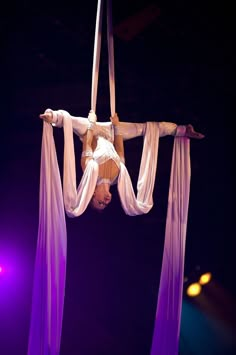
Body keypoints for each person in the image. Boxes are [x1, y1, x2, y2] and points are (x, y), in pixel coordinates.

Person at [39, 109, 204, 212]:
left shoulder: (89, 171)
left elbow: (87, 143)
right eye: (105, 205)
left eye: (99, 203)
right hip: (112, 133)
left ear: (93, 194)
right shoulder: (118, 178)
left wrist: (91, 123)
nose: (105, 202)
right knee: (145, 129)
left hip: (90, 129)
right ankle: (182, 130)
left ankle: (51, 116)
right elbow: (119, 149)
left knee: (71, 121)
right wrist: (117, 126)